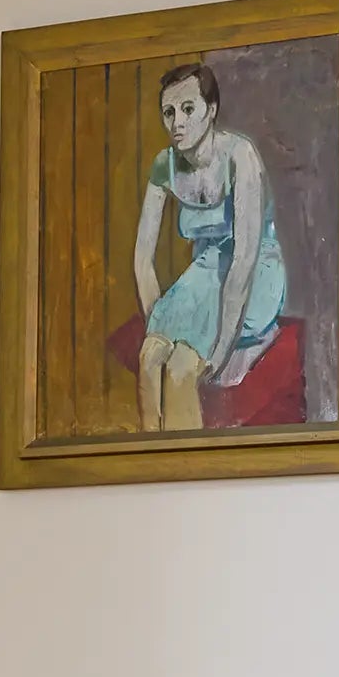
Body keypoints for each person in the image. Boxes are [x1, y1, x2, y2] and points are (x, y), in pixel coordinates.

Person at [134, 62, 287, 431]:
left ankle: (184, 473)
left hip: (254, 273)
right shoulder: (164, 165)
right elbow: (142, 260)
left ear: (211, 110)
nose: (177, 123)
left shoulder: (240, 156)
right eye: (169, 112)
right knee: (150, 356)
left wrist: (219, 352)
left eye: (188, 109)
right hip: (205, 271)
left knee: (183, 366)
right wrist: (161, 320)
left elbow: (244, 260)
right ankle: (150, 470)